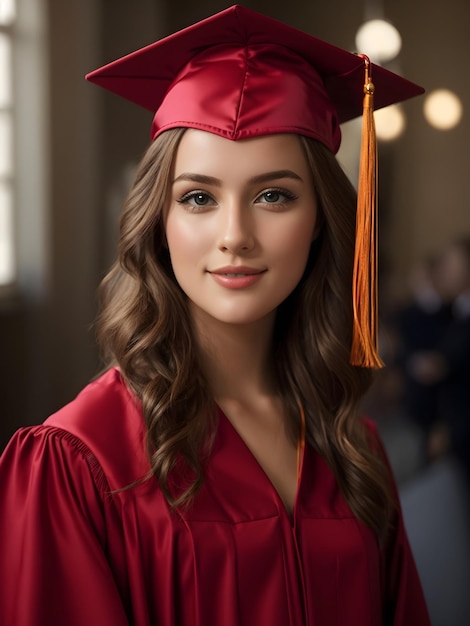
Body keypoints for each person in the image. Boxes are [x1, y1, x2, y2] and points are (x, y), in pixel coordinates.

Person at [0, 6, 430, 625]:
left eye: (273, 196)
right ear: (160, 221)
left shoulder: (351, 446)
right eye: (198, 197)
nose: (235, 235)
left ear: (319, 223)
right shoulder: (80, 462)